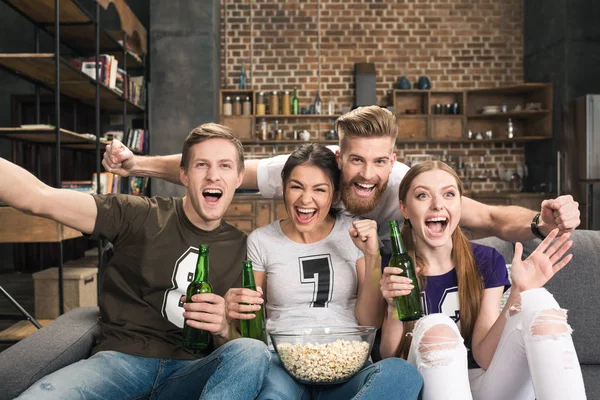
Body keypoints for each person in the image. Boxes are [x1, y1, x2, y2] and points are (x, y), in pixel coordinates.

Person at [0, 124, 270, 399]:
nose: (213, 176)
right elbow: (37, 198)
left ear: (239, 178)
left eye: (225, 166)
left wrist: (223, 328)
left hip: (191, 372)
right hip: (118, 364)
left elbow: (242, 345)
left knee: (253, 352)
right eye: (202, 165)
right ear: (184, 175)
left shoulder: (243, 249)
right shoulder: (138, 214)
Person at [101, 106, 581, 256]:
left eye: (378, 162)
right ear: (338, 154)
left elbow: (492, 217)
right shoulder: (313, 171)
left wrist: (541, 222)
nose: (367, 174)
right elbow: (219, 168)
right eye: (355, 160)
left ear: (392, 158)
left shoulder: (402, 183)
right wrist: (137, 165)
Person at [226, 143, 423, 400]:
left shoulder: (353, 233)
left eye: (319, 189)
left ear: (335, 194)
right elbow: (251, 320)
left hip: (348, 363)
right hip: (283, 365)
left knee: (403, 374)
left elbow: (370, 322)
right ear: (283, 188)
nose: (306, 200)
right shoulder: (261, 240)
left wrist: (372, 255)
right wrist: (234, 313)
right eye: (296, 187)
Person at [378, 160, 586, 400]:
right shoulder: (392, 267)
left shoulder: (486, 260)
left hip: (484, 383)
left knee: (537, 299)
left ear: (459, 205)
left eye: (448, 194)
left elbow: (485, 355)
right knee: (437, 327)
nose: (437, 205)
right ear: (404, 208)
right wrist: (394, 305)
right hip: (427, 384)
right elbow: (391, 359)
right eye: (423, 195)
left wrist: (520, 290)